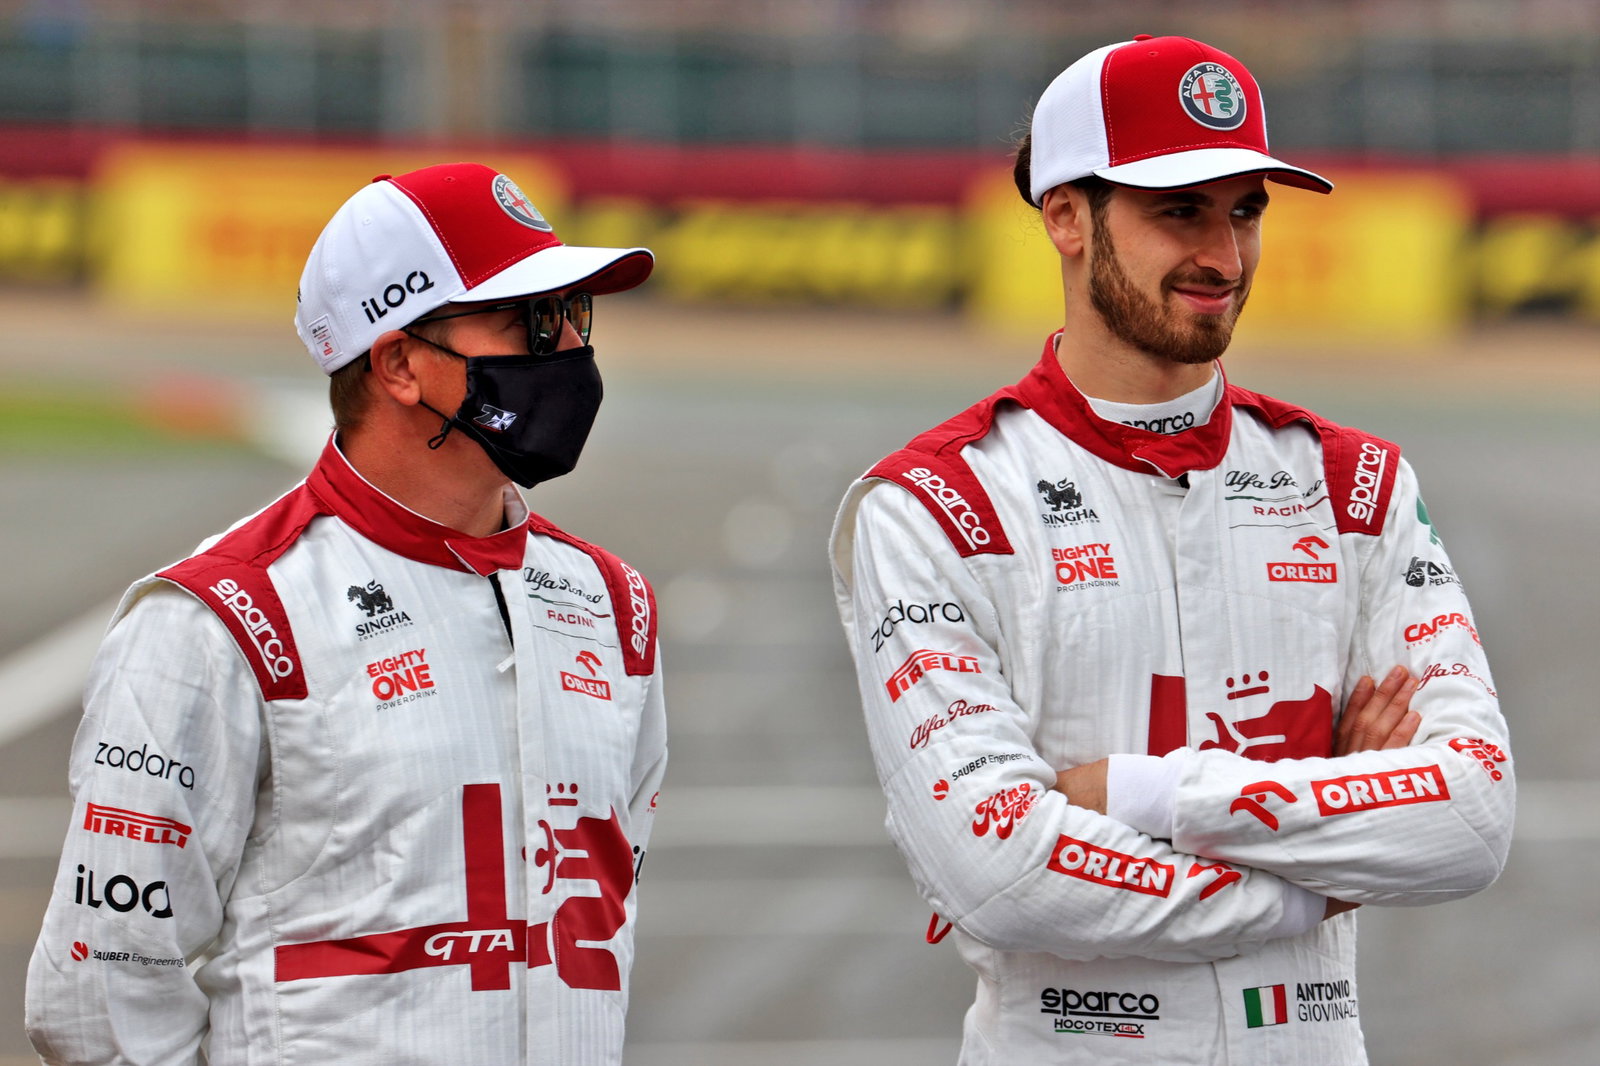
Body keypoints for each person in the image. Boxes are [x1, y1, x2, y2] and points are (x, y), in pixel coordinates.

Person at [829, 35, 1513, 1065]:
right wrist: (1323, 864)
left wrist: (1141, 797)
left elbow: (1469, 820)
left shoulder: (1354, 486)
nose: (1225, 257)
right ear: (1064, 215)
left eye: (1246, 210)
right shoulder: (936, 502)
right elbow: (999, 866)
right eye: (1179, 209)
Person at [26, 162, 668, 1065]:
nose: (565, 346)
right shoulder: (219, 622)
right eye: (527, 319)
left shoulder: (609, 606)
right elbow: (99, 1000)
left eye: (572, 313)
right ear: (400, 362)